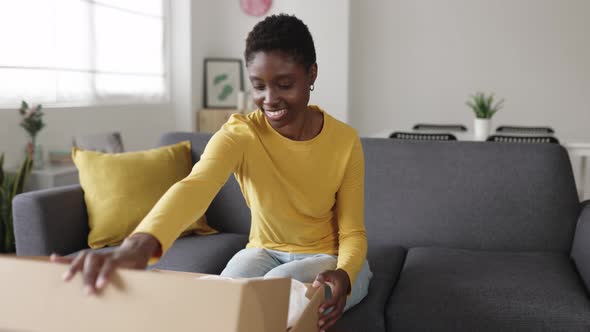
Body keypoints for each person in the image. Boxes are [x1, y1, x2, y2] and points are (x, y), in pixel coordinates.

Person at [52, 14, 372, 331]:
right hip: (263, 251)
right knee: (221, 299)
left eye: (284, 84)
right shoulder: (241, 133)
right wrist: (136, 246)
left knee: (273, 293)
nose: (270, 99)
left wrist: (345, 273)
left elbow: (352, 232)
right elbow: (196, 186)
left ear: (311, 73)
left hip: (327, 258)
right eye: (259, 86)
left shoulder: (343, 141)